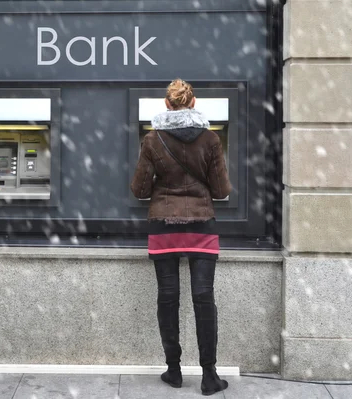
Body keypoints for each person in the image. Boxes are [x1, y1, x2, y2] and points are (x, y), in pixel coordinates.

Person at [131, 79, 232, 395]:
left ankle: (173, 371)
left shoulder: (152, 140)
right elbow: (220, 190)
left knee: (168, 296)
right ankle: (209, 375)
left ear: (166, 105)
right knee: (204, 297)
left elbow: (140, 190)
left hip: (164, 223)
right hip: (201, 223)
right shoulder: (211, 140)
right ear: (194, 102)